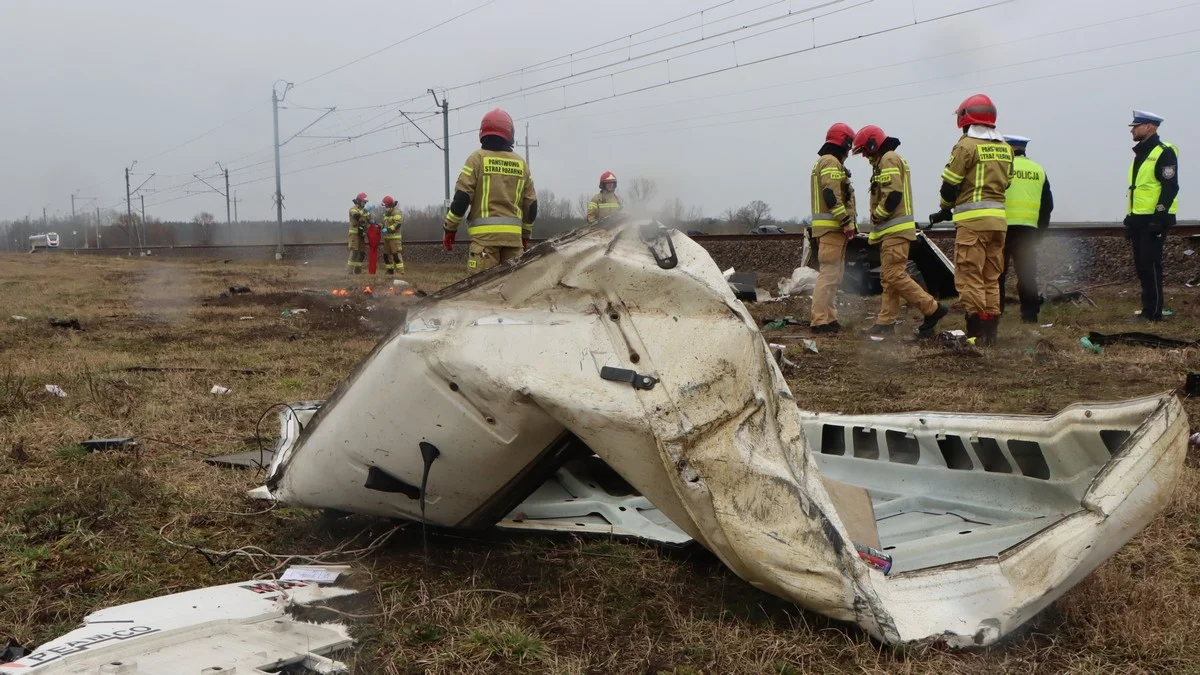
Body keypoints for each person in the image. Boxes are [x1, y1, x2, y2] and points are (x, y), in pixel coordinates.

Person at [929, 94, 1013, 346]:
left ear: (965, 119)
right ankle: (991, 333)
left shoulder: (965, 146)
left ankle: (976, 331)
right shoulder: (1006, 148)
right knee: (991, 277)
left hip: (972, 224)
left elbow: (949, 185)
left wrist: (945, 209)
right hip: (998, 223)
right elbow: (1006, 183)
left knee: (970, 277)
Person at [852, 125, 948, 337]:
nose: (865, 156)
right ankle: (886, 322)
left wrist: (877, 215)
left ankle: (932, 309)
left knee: (895, 276)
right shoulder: (887, 160)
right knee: (889, 278)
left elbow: (893, 195)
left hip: (895, 231)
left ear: (872, 143)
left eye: (865, 150)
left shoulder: (888, 160)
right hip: (892, 232)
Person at [443, 108, 538, 274]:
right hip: (514, 243)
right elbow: (531, 205)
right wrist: (525, 235)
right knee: (512, 293)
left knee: (482, 295)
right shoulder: (521, 164)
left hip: (484, 243)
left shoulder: (476, 159)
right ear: (510, 133)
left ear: (483, 133)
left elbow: (462, 198)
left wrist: (450, 228)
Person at [1125, 110, 1179, 322]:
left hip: (1153, 220)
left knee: (1151, 265)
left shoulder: (1163, 152)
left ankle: (1153, 313)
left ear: (1150, 127)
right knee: (1141, 266)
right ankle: (1148, 309)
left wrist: (1159, 216)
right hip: (1139, 219)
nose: (1133, 130)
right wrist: (1129, 220)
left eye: (1136, 126)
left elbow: (1170, 186)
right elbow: (1138, 190)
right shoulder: (1141, 154)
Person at [809, 122, 858, 334]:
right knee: (829, 275)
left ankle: (829, 317)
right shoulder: (830, 162)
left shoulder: (826, 161)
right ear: (844, 143)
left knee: (834, 276)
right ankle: (819, 320)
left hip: (832, 229)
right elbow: (831, 195)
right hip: (833, 229)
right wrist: (845, 222)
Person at [999, 135, 1053, 323]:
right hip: (1028, 231)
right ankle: (1030, 315)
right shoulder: (1038, 169)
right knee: (1027, 274)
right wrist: (1040, 232)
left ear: (1009, 148)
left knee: (998, 273)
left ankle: (996, 312)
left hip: (1002, 227)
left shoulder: (1002, 167)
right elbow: (1047, 205)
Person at [380, 195, 405, 277]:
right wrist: (379, 225)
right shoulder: (386, 214)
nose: (385, 207)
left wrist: (388, 229)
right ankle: (390, 271)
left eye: (385, 206)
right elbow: (384, 223)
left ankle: (400, 272)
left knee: (396, 256)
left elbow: (398, 224)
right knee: (386, 256)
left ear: (389, 205)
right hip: (387, 239)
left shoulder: (397, 212)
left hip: (395, 238)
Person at [347, 192, 370, 275]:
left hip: (361, 234)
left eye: (365, 202)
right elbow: (356, 215)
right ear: (359, 201)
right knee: (354, 252)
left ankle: (357, 270)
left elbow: (369, 219)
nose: (364, 204)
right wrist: (362, 215)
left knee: (362, 253)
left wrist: (373, 222)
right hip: (354, 234)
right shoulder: (353, 209)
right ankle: (349, 271)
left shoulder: (365, 210)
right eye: (363, 202)